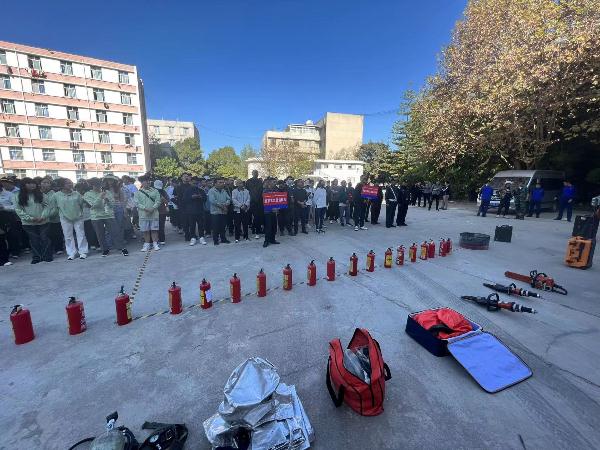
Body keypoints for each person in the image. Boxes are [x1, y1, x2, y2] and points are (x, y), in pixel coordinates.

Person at [84, 178, 128, 257]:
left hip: (109, 215)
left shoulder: (107, 192)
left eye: (99, 184)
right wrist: (100, 197)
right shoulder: (87, 194)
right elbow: (93, 206)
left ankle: (121, 248)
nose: (99, 186)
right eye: (96, 184)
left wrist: (107, 201)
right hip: (96, 217)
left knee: (115, 232)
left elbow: (112, 205)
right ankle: (105, 249)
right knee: (100, 234)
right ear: (92, 185)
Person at [13, 178, 52, 264]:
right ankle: (37, 257)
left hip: (43, 221)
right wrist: (30, 218)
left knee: (44, 238)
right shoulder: (17, 196)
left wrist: (43, 216)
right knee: (34, 240)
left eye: (33, 183)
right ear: (24, 185)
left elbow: (47, 206)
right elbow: (18, 210)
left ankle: (47, 256)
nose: (32, 185)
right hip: (28, 223)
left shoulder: (41, 194)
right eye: (29, 183)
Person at [52, 178, 88, 260]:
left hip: (78, 217)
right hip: (65, 218)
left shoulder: (77, 194)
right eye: (67, 183)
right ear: (62, 185)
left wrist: (80, 214)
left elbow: (81, 204)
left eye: (71, 182)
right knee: (68, 236)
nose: (70, 184)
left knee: (81, 234)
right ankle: (71, 253)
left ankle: (83, 252)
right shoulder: (56, 195)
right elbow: (54, 206)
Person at [134, 175, 161, 251]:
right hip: (143, 215)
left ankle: (155, 244)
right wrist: (145, 208)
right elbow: (137, 203)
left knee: (154, 230)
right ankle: (146, 244)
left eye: (149, 181)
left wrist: (153, 208)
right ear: (142, 182)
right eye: (146, 181)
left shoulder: (155, 191)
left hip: (154, 214)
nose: (148, 182)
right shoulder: (138, 193)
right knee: (145, 231)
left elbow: (158, 201)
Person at [40, 177, 64, 255]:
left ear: (50, 185)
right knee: (45, 235)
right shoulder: (37, 194)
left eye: (48, 183)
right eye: (44, 182)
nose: (45, 184)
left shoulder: (55, 194)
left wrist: (48, 215)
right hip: (41, 218)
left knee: (56, 233)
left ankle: (58, 248)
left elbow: (56, 207)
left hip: (54, 218)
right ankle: (48, 249)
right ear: (40, 184)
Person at [182, 175, 207, 246]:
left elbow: (205, 199)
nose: (195, 184)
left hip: (200, 211)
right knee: (192, 225)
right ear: (190, 182)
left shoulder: (201, 190)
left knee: (201, 225)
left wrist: (200, 197)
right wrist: (191, 197)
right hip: (190, 211)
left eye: (196, 183)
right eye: (194, 183)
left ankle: (201, 237)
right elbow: (184, 200)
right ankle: (193, 238)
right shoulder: (187, 191)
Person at [75, 181, 99, 250]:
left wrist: (85, 201)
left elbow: (91, 205)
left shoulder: (87, 195)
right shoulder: (75, 195)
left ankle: (95, 244)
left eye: (80, 188)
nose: (79, 190)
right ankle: (88, 244)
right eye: (77, 188)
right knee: (83, 232)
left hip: (89, 216)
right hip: (79, 217)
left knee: (91, 231)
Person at [208, 177, 231, 245]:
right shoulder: (211, 191)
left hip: (223, 212)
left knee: (223, 226)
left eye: (222, 182)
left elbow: (228, 199)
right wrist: (222, 207)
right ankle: (216, 240)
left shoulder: (224, 190)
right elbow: (213, 201)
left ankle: (223, 239)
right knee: (215, 227)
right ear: (215, 183)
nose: (222, 184)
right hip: (215, 212)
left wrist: (226, 204)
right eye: (220, 182)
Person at [262, 178, 280, 247]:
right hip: (268, 211)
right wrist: (272, 208)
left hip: (275, 212)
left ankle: (272, 239)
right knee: (268, 227)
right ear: (269, 183)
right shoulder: (265, 191)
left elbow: (279, 200)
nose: (275, 183)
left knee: (274, 226)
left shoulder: (276, 190)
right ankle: (266, 241)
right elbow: (265, 202)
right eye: (274, 182)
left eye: (275, 182)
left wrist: (278, 208)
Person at [247, 170, 264, 239]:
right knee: (255, 217)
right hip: (252, 202)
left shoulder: (260, 181)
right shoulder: (248, 181)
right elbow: (247, 191)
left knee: (258, 217)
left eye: (257, 173)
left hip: (259, 202)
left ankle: (256, 229)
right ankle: (256, 230)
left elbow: (261, 190)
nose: (256, 174)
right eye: (254, 173)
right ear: (252, 174)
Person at [153, 180, 170, 245]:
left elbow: (168, 200)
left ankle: (162, 239)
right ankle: (155, 239)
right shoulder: (151, 192)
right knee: (154, 226)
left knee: (161, 226)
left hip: (162, 211)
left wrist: (163, 199)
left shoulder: (163, 192)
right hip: (153, 211)